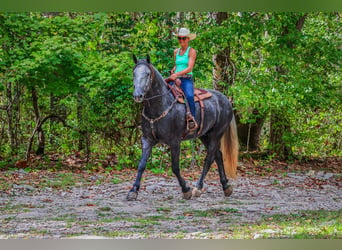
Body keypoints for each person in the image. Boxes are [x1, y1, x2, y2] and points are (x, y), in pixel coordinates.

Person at [168, 27, 198, 131]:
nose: (181, 40)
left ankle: (192, 119)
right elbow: (177, 65)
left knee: (189, 96)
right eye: (179, 38)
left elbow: (189, 67)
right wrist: (173, 70)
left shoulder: (192, 51)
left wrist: (177, 74)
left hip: (186, 79)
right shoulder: (176, 51)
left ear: (188, 39)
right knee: (164, 93)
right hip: (175, 79)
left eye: (183, 38)